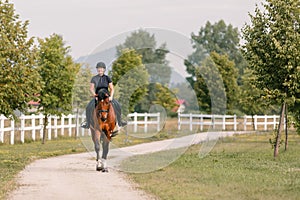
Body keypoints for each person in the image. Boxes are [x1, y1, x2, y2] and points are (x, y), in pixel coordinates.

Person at [81, 61, 127, 129]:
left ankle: (120, 121)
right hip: (98, 97)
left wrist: (111, 96)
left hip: (107, 97)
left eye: (102, 68)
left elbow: (112, 88)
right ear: (97, 69)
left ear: (104, 69)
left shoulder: (107, 78)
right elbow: (91, 88)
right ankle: (87, 123)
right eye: (99, 68)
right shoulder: (94, 78)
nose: (100, 70)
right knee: (88, 107)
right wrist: (95, 95)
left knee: (118, 105)